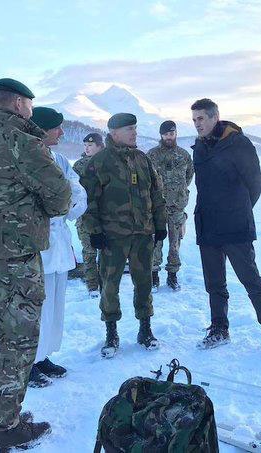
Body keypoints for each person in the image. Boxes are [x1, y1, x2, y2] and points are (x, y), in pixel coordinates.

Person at [0, 78, 72, 449]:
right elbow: (60, 196)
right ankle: (3, 428)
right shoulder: (21, 140)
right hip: (14, 257)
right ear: (20, 104)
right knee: (16, 339)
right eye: (29, 104)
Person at [190, 98, 261, 358]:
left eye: (201, 118)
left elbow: (254, 184)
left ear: (214, 117)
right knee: (215, 284)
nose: (197, 124)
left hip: (235, 226)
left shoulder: (238, 144)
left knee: (251, 281)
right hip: (207, 226)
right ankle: (219, 329)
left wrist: (239, 209)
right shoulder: (199, 147)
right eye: (194, 119)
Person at [80, 113, 167, 358]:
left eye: (135, 128)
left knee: (144, 283)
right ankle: (111, 332)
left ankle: (145, 329)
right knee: (109, 285)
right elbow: (88, 201)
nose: (134, 133)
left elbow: (156, 195)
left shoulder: (143, 159)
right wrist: (94, 232)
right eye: (129, 129)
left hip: (142, 234)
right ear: (114, 132)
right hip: (112, 237)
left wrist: (160, 225)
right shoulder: (99, 163)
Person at [27, 107, 87, 387]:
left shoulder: (60, 159)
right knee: (38, 305)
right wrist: (61, 202)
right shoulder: (28, 158)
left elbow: (76, 193)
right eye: (57, 128)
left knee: (55, 303)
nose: (62, 133)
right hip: (37, 243)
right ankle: (27, 362)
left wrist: (66, 203)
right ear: (42, 129)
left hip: (59, 241)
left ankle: (43, 356)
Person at [148, 120, 194, 291]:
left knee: (175, 243)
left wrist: (178, 191)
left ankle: (172, 275)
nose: (169, 136)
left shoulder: (183, 155)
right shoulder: (152, 155)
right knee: (155, 242)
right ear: (161, 135)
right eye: (166, 134)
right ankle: (153, 276)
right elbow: (147, 179)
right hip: (157, 207)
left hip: (177, 206)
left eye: (172, 133)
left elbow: (189, 176)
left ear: (176, 134)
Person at [72, 133, 105, 298]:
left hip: (106, 215)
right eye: (85, 145)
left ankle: (106, 283)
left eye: (90, 145)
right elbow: (72, 188)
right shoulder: (78, 165)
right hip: (85, 216)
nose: (86, 148)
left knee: (106, 252)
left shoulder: (108, 162)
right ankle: (92, 285)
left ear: (100, 146)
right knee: (89, 251)